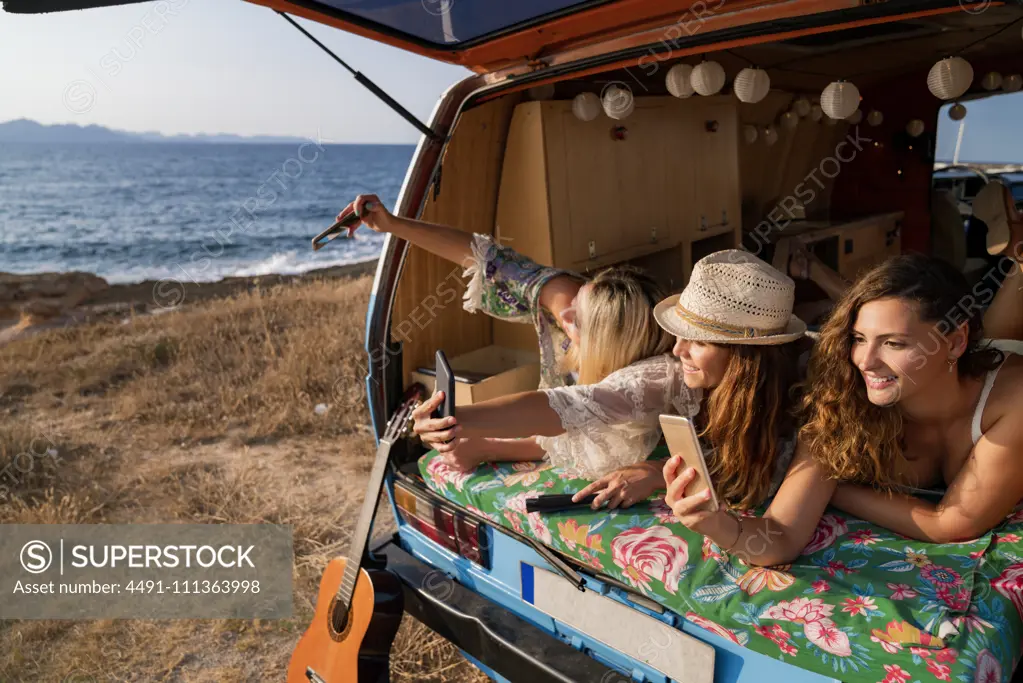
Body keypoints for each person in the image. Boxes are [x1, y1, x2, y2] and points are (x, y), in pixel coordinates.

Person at [336, 194, 698, 500]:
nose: (562, 313)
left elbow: (560, 409)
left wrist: (459, 420)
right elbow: (486, 259)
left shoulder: (654, 376)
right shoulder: (571, 310)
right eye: (570, 300)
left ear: (609, 341)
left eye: (576, 317)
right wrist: (393, 224)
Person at [801, 253, 1023, 543]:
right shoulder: (845, 387)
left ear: (955, 342)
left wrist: (829, 487)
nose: (865, 362)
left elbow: (952, 525)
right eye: (859, 339)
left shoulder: (1012, 402)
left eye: (893, 343)